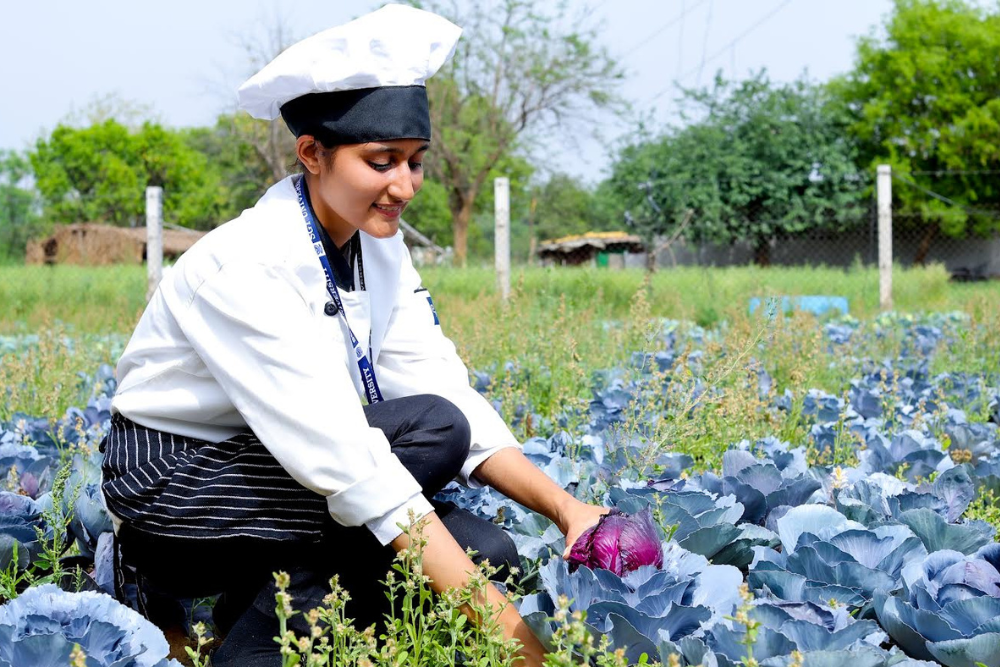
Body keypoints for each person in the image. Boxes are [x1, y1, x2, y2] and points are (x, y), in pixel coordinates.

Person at [99, 4, 607, 666]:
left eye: (415, 161)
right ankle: (232, 642)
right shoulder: (247, 263)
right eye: (381, 160)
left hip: (280, 463)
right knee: (412, 468)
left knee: (487, 544)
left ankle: (247, 608)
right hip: (178, 482)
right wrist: (519, 648)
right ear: (312, 152)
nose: (405, 185)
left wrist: (566, 507)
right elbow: (349, 464)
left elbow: (439, 386)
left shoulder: (378, 246)